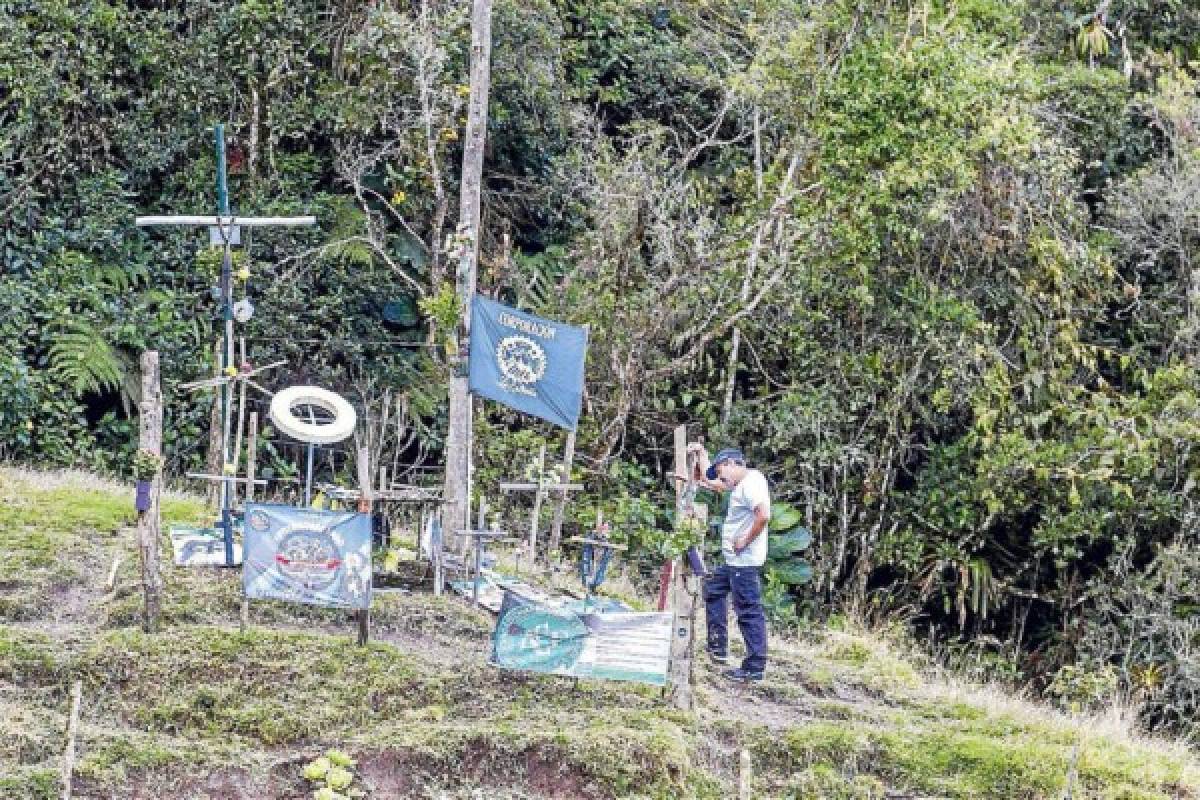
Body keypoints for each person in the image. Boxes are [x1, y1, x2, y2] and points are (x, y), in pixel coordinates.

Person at [688, 443, 771, 682]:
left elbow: (763, 515)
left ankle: (754, 667)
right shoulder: (741, 484)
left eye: (722, 470)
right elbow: (715, 484)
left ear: (732, 464)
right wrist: (702, 458)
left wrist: (745, 539)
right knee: (713, 589)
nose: (722, 478)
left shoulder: (752, 483)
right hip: (734, 561)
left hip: (743, 562)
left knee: (747, 611)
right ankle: (718, 647)